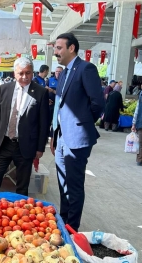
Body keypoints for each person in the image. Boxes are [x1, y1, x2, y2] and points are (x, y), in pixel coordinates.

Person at [51, 33, 104, 231]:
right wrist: (54, 134)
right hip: (62, 138)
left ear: (71, 48)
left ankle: (72, 228)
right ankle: (64, 221)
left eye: (59, 48)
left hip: (77, 138)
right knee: (63, 182)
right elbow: (58, 105)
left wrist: (83, 123)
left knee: (74, 184)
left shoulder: (86, 68)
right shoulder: (63, 73)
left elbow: (98, 103)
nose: (56, 52)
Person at [0, 57, 50, 196]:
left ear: (33, 73)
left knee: (22, 185)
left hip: (25, 145)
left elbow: (44, 123)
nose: (25, 77)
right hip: (4, 143)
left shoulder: (40, 92)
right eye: (21, 73)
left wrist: (40, 147)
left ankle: (20, 214)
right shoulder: (4, 89)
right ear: (15, 73)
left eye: (28, 73)